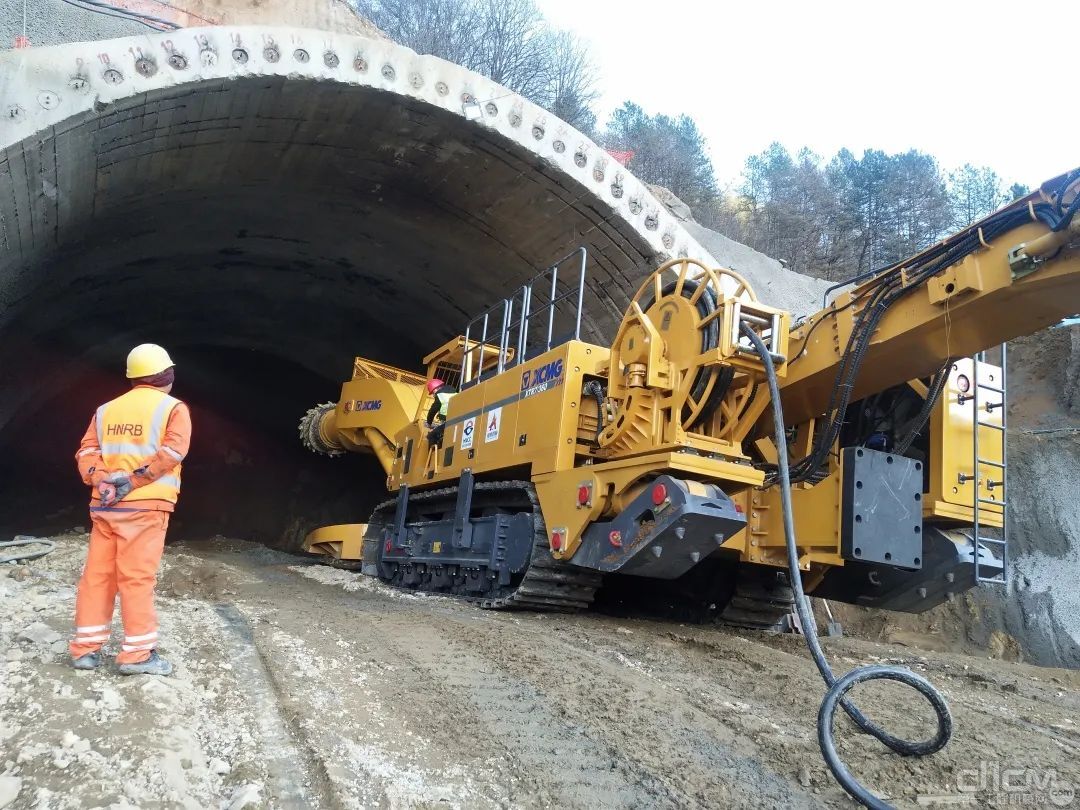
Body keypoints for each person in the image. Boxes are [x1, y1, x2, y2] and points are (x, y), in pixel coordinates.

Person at [69, 344, 191, 676]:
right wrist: (133, 482)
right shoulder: (173, 408)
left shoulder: (105, 410)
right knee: (136, 579)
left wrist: (103, 479)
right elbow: (172, 452)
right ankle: (137, 654)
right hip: (146, 507)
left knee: (97, 577)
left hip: (105, 507)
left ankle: (85, 649)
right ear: (168, 374)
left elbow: (86, 453)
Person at [425, 378, 455, 447]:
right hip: (457, 420)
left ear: (435, 389)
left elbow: (432, 410)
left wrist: (429, 423)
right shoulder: (454, 392)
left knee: (430, 437)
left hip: (448, 422)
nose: (433, 395)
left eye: (433, 392)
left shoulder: (440, 396)